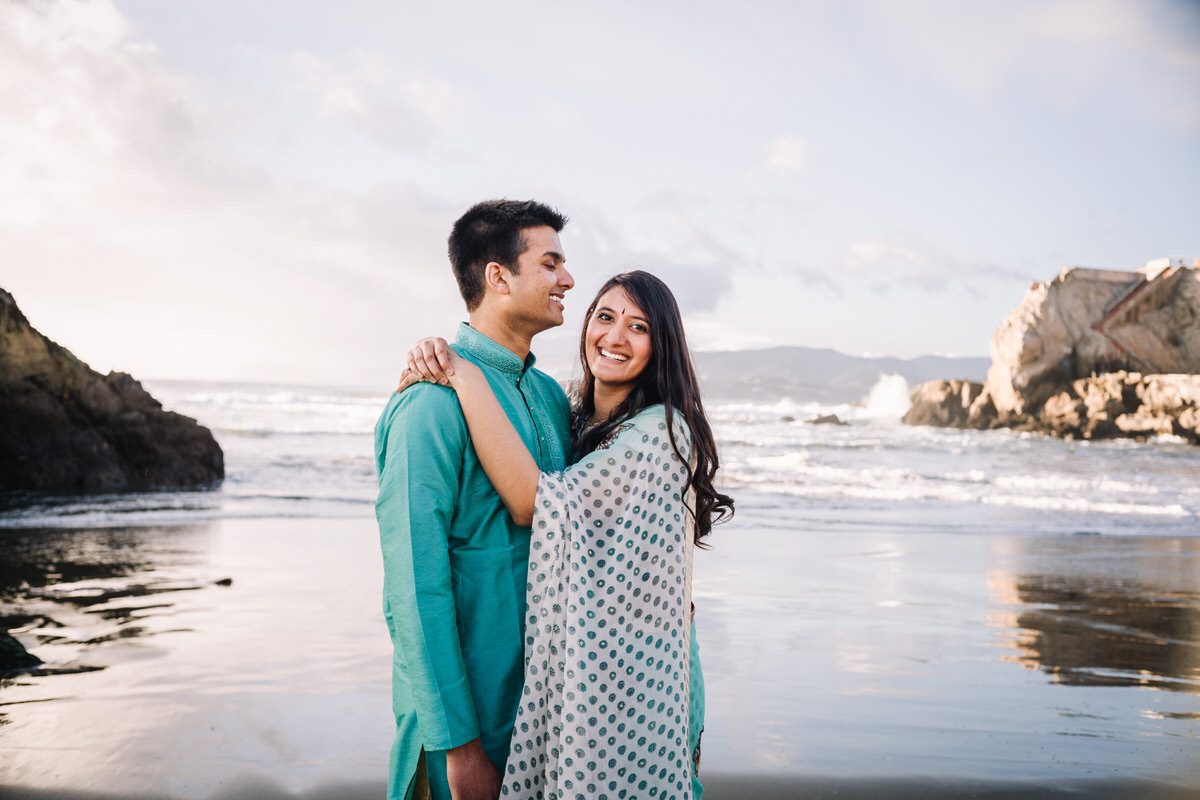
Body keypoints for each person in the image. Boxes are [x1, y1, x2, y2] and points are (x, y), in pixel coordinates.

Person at [402, 270, 734, 799]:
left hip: (636, 678)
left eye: (639, 326)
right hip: (585, 670)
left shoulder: (659, 433)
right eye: (605, 317)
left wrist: (463, 374)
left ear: (662, 344)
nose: (615, 336)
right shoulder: (570, 416)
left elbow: (536, 503)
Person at [375, 199, 576, 800]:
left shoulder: (548, 398)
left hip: (543, 714)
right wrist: (457, 747)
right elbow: (413, 584)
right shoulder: (428, 404)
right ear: (497, 276)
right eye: (550, 264)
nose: (567, 280)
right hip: (461, 729)